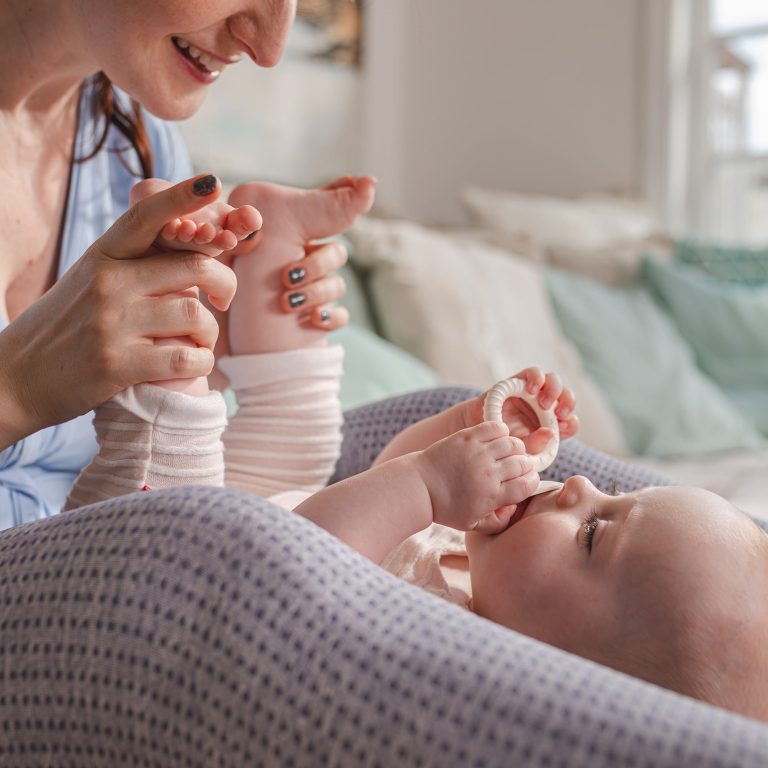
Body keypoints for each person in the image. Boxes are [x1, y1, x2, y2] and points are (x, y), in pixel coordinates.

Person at [1, 2, 764, 763]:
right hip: (145, 558)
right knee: (212, 485)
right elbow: (295, 567)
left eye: (598, 525)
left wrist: (239, 310)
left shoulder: (133, 139)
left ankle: (245, 281)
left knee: (293, 428)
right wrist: (29, 381)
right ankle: (174, 381)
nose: (271, 47)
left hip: (245, 520)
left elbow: (362, 497)